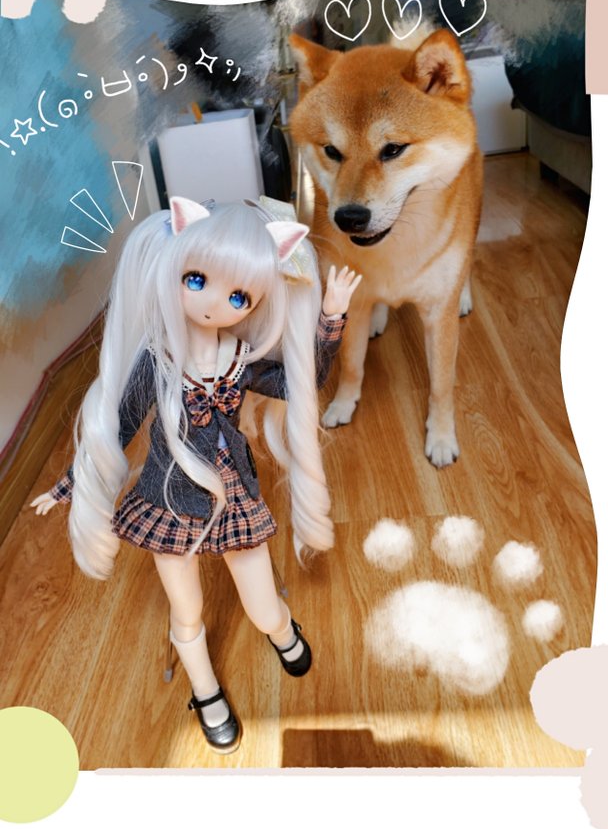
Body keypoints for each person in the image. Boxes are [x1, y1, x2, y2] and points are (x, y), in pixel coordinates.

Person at [32, 195, 361, 754]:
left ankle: (282, 630)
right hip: (168, 501)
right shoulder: (158, 359)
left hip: (235, 500)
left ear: (256, 300)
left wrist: (330, 318)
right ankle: (205, 691)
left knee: (263, 606)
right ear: (175, 270)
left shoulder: (242, 359)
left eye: (237, 296)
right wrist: (71, 485)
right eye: (196, 280)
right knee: (186, 613)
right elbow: (119, 424)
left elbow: (300, 383)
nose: (213, 304)